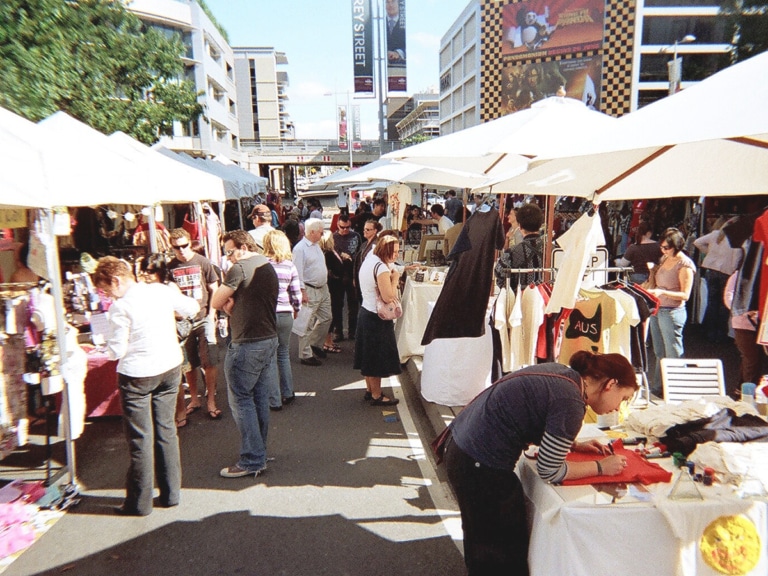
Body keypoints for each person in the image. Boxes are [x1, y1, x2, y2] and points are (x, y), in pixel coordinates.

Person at [444, 351, 638, 575]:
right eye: (623, 399)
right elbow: (550, 470)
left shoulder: (565, 375)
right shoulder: (572, 401)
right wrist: (602, 467)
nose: (618, 408)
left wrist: (572, 445)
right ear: (611, 385)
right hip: (480, 463)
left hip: (463, 449)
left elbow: (533, 411)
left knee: (482, 542)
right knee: (503, 552)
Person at [93, 256, 199, 515]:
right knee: (166, 431)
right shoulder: (160, 291)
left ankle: (139, 503)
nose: (107, 294)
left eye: (106, 289)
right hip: (169, 367)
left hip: (138, 375)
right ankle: (171, 494)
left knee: (141, 439)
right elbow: (193, 307)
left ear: (116, 281)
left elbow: (117, 350)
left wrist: (102, 348)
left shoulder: (121, 308)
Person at [211, 230, 279, 478]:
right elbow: (247, 306)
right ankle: (258, 452)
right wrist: (232, 308)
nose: (228, 257)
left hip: (248, 342)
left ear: (242, 247)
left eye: (229, 251)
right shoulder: (265, 265)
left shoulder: (240, 268)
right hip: (267, 339)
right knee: (258, 398)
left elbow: (216, 301)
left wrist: (228, 305)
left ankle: (252, 458)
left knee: (241, 399)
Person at [167, 229, 222, 421]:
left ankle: (211, 400)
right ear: (171, 247)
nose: (181, 250)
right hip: (183, 321)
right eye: (177, 247)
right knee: (188, 362)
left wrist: (213, 312)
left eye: (185, 245)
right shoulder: (170, 267)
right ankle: (195, 398)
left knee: (209, 360)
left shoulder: (202, 262)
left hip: (203, 316)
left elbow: (213, 287)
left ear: (190, 243)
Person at [354, 234, 402, 406]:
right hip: (377, 317)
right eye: (394, 251)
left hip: (366, 311)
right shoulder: (381, 268)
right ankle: (377, 395)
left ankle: (369, 390)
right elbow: (388, 296)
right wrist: (395, 278)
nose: (396, 255)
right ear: (385, 250)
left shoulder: (369, 260)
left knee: (368, 355)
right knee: (376, 358)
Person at [647, 228, 696, 395]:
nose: (663, 250)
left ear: (677, 246)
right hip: (658, 309)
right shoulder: (665, 258)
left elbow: (685, 295)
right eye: (662, 247)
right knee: (659, 351)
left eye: (667, 247)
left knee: (673, 352)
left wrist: (662, 292)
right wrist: (653, 271)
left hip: (672, 311)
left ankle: (676, 388)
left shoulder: (685, 264)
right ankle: (659, 387)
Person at [262, 231, 301, 411]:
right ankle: (288, 392)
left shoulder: (262, 266)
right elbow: (296, 293)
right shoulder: (289, 266)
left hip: (267, 315)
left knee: (270, 358)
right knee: (283, 353)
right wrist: (296, 308)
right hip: (286, 313)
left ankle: (274, 400)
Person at [694, 220, 744, 343]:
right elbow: (737, 256)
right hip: (726, 271)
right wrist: (733, 270)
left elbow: (697, 242)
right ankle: (720, 334)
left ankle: (708, 332)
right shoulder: (736, 237)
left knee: (711, 302)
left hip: (711, 269)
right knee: (724, 304)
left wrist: (709, 253)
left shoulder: (716, 234)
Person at [292, 218, 333, 366]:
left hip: (322, 288)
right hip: (310, 288)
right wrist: (302, 291)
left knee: (326, 317)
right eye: (321, 232)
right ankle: (305, 354)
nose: (322, 235)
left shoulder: (315, 245)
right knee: (306, 323)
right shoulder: (300, 249)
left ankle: (314, 343)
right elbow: (297, 272)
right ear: (312, 232)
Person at [494, 202, 545, 290]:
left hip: (519, 298)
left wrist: (510, 289)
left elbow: (499, 272)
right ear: (540, 225)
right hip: (546, 298)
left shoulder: (512, 252)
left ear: (520, 226)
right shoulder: (551, 251)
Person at [332, 213, 361, 341]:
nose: (345, 230)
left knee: (353, 305)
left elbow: (360, 254)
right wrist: (340, 255)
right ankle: (338, 331)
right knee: (337, 305)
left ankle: (352, 331)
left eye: (348, 227)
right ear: (338, 225)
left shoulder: (356, 236)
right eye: (342, 227)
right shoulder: (333, 238)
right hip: (337, 276)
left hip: (352, 274)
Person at [320, 231, 344, 354]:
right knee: (332, 313)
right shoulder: (328, 254)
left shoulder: (332, 252)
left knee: (335, 312)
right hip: (333, 287)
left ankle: (328, 340)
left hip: (337, 287)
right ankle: (327, 341)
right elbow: (333, 270)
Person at [354, 217, 383, 305]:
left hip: (370, 281)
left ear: (375, 231)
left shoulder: (377, 245)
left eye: (367, 229)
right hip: (362, 279)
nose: (364, 231)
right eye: (364, 229)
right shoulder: (364, 244)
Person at [385, 0, 405, 64]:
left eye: (393, 1)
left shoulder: (406, 23)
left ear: (399, 3)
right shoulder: (379, 24)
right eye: (387, 2)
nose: (390, 5)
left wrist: (398, 53)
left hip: (401, 67)